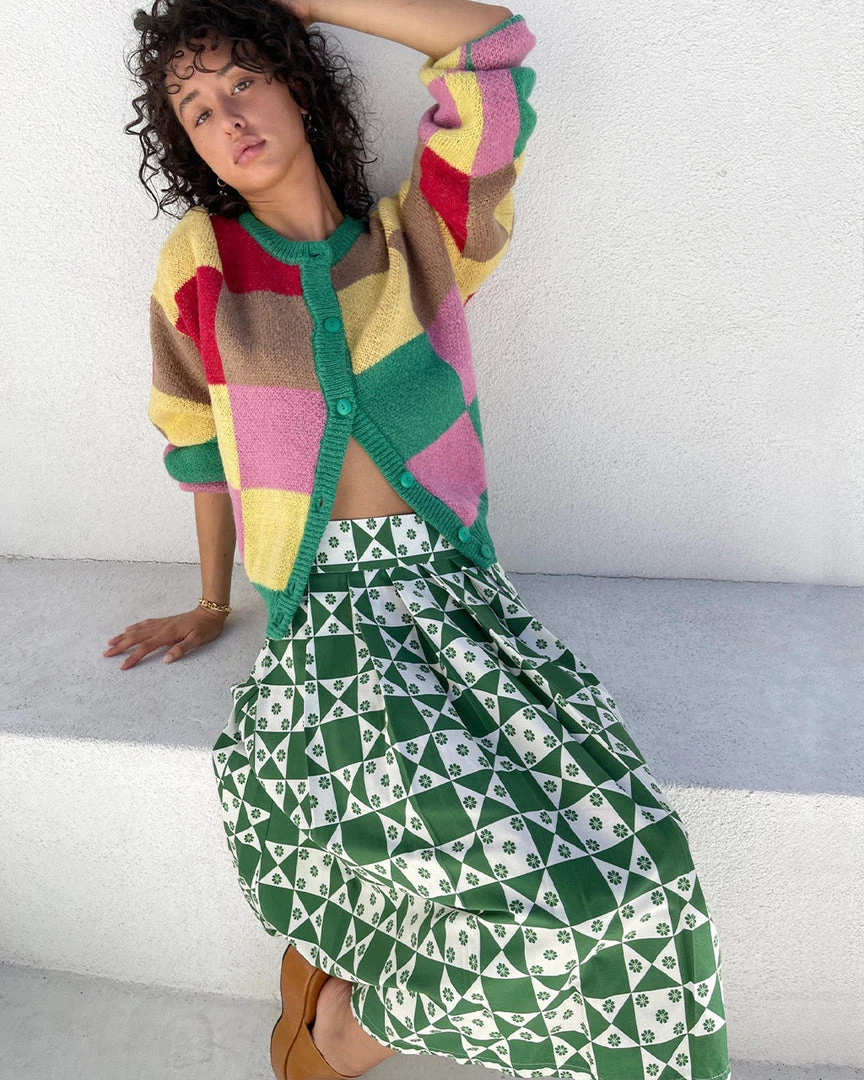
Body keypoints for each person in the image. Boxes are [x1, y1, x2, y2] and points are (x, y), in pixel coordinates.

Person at [108, 1, 732, 1079]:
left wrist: (305, 3)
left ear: (298, 85)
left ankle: (348, 1008)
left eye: (245, 79)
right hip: (334, 634)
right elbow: (195, 443)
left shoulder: (421, 246)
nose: (228, 116)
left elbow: (490, 52)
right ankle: (352, 1025)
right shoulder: (201, 262)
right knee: (562, 904)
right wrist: (213, 602)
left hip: (464, 609)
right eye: (197, 109)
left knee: (647, 863)